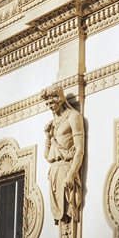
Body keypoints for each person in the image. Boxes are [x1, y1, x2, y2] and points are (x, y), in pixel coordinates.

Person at [42, 86, 85, 224]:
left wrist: (72, 173)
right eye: (47, 104)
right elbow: (47, 156)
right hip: (54, 172)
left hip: (66, 169)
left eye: (51, 103)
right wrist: (48, 138)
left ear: (59, 100)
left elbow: (79, 149)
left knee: (68, 212)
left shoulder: (73, 117)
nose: (49, 107)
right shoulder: (53, 123)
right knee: (59, 215)